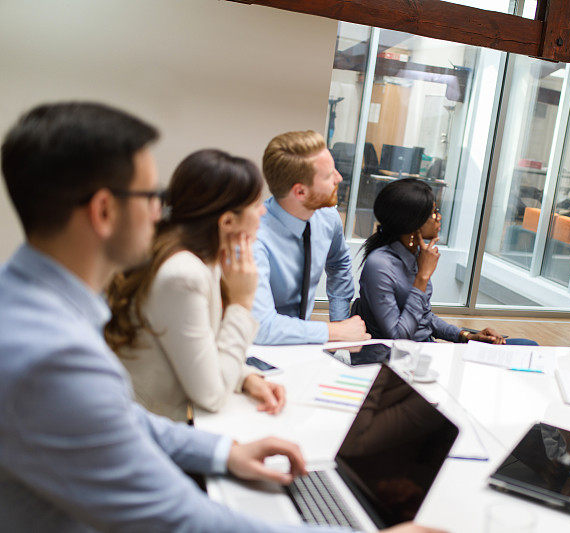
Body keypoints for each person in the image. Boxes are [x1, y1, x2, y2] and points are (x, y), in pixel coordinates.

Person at [0, 101, 440, 533]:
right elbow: (176, 518)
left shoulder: (38, 306)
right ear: (103, 211)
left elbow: (124, 419)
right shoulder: (49, 354)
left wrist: (222, 453)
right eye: (152, 196)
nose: (161, 211)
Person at [105, 149, 285, 422]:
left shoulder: (198, 258)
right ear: (227, 221)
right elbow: (211, 396)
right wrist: (242, 303)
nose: (262, 211)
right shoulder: (184, 274)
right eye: (256, 203)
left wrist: (246, 377)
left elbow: (200, 353)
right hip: (153, 434)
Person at [353, 178, 536, 345]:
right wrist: (422, 278)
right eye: (433, 212)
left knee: (528, 346)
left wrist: (466, 336)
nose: (439, 217)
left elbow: (424, 318)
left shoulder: (416, 254)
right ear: (413, 221)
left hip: (426, 348)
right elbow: (398, 336)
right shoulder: (379, 265)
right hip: (401, 357)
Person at [253, 130, 369, 345]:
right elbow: (262, 327)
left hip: (306, 347)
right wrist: (335, 331)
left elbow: (340, 264)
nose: (339, 178)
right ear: (300, 192)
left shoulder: (327, 217)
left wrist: (340, 323)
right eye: (328, 176)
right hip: (259, 353)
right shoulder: (253, 239)